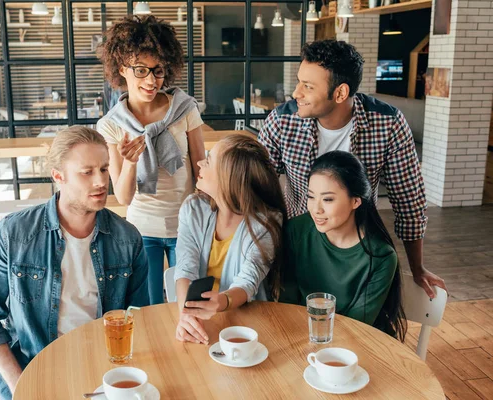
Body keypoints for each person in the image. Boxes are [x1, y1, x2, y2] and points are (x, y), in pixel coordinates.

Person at [0, 126, 150, 400]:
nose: (101, 181)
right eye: (87, 172)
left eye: (104, 169)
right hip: (33, 373)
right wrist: (21, 386)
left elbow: (139, 317)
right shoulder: (14, 235)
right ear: (58, 176)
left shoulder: (127, 239)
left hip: (103, 376)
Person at [258, 39, 446, 298]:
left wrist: (418, 268)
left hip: (359, 250)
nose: (296, 93)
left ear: (340, 93)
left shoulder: (387, 123)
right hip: (300, 242)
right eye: (299, 82)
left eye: (308, 86)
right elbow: (256, 187)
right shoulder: (281, 122)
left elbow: (409, 200)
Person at [96, 15, 206, 305]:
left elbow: (201, 171)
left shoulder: (185, 109)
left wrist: (209, 218)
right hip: (143, 229)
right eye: (141, 70)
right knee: (150, 307)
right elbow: (123, 197)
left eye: (158, 71)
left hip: (187, 226)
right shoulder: (112, 124)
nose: (151, 80)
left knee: (191, 303)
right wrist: (131, 162)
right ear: (122, 69)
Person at [281, 151, 407, 340]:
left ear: (356, 201)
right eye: (311, 196)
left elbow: (357, 326)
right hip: (306, 338)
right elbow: (288, 305)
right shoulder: (295, 231)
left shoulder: (381, 257)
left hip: (359, 344)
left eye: (328, 199)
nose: (316, 209)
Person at [174, 135, 286, 344]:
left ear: (228, 179)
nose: (199, 162)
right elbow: (185, 267)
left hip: (249, 329)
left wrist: (222, 301)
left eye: (208, 161)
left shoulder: (266, 224)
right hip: (202, 324)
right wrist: (186, 315)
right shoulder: (193, 209)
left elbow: (248, 281)